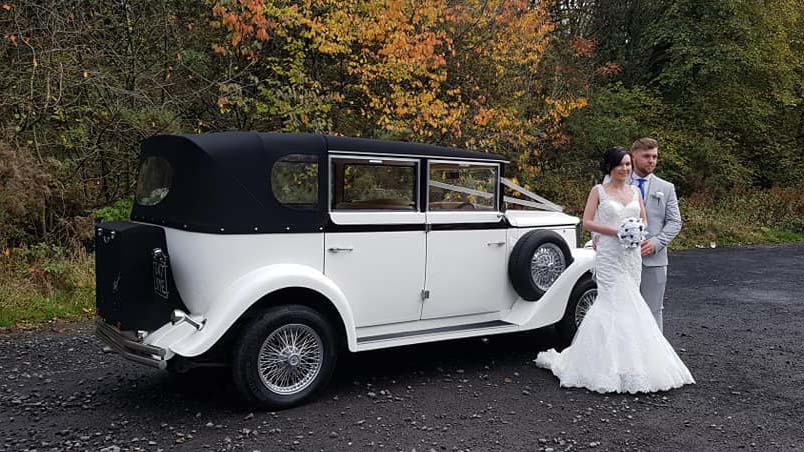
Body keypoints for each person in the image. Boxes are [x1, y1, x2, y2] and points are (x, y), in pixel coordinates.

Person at [534, 147, 694, 393]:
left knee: (632, 302)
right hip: (610, 254)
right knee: (610, 301)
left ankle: (634, 362)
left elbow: (644, 220)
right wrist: (615, 231)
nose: (625, 169)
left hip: (631, 255)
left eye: (628, 164)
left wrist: (635, 230)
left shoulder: (634, 191)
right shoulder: (598, 191)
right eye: (621, 164)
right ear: (610, 167)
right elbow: (587, 222)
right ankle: (600, 363)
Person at [629, 138, 682, 332]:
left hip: (655, 259)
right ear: (634, 156)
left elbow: (675, 222)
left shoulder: (666, 188)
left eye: (655, 157)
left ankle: (653, 359)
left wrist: (657, 242)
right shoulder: (616, 183)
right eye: (646, 156)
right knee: (623, 309)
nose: (651, 160)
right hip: (622, 259)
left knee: (653, 310)